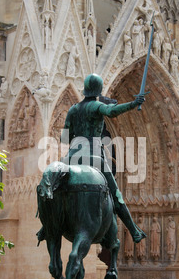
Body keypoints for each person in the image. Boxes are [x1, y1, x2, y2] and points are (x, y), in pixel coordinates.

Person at [61, 73, 146, 244]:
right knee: (116, 195)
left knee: (55, 186)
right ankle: (134, 230)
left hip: (70, 158)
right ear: (98, 90)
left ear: (85, 89)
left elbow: (64, 138)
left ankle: (44, 228)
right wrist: (133, 104)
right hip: (93, 157)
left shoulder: (73, 109)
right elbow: (112, 111)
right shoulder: (96, 107)